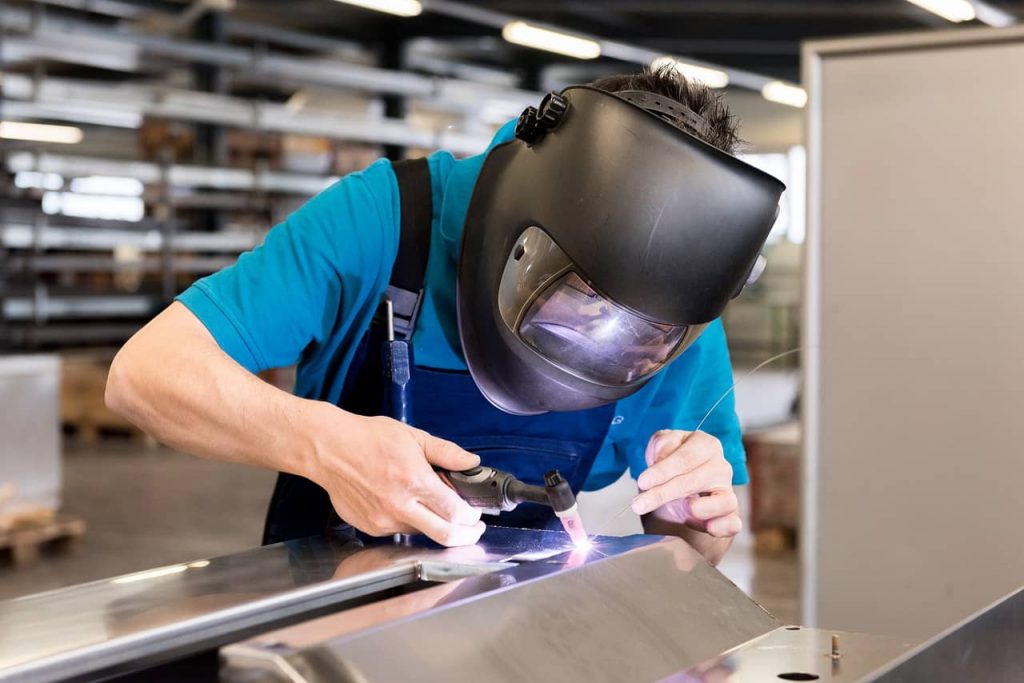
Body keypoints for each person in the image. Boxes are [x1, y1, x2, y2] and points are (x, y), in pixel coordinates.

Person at [105, 66, 784, 566]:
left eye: (636, 331)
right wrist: (327, 444)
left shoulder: (671, 314)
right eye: (573, 297)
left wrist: (696, 520)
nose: (598, 334)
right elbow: (145, 374)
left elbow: (699, 545)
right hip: (330, 620)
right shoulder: (385, 219)